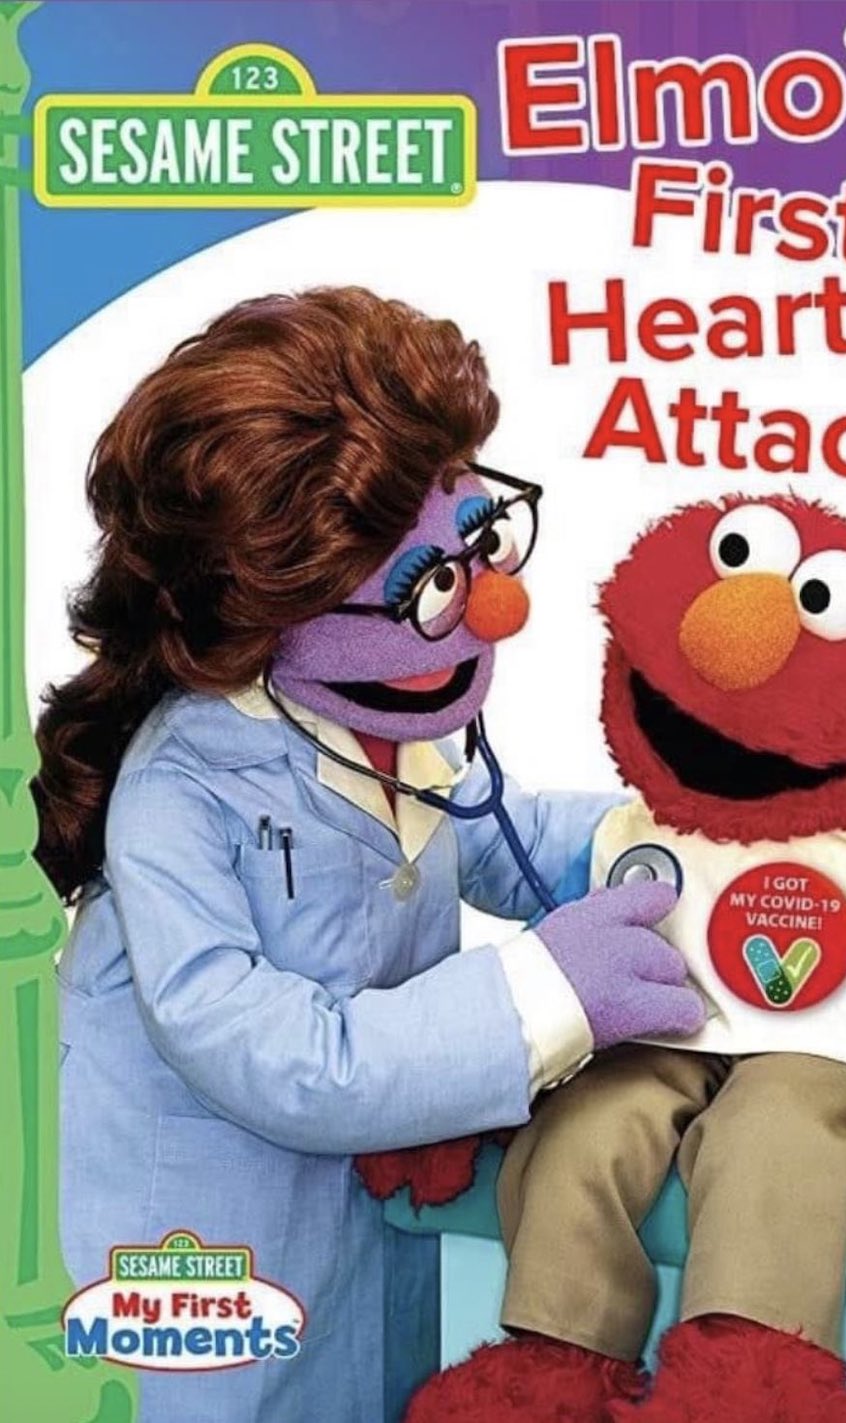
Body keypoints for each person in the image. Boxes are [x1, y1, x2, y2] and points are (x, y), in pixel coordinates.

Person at [36, 288, 705, 1423]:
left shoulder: (371, 725)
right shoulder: (181, 790)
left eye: (476, 543)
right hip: (198, 1271)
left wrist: (724, 839)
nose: (494, 605)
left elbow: (501, 831)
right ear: (267, 607)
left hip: (356, 1235)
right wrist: (545, 994)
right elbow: (272, 1053)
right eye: (427, 586)